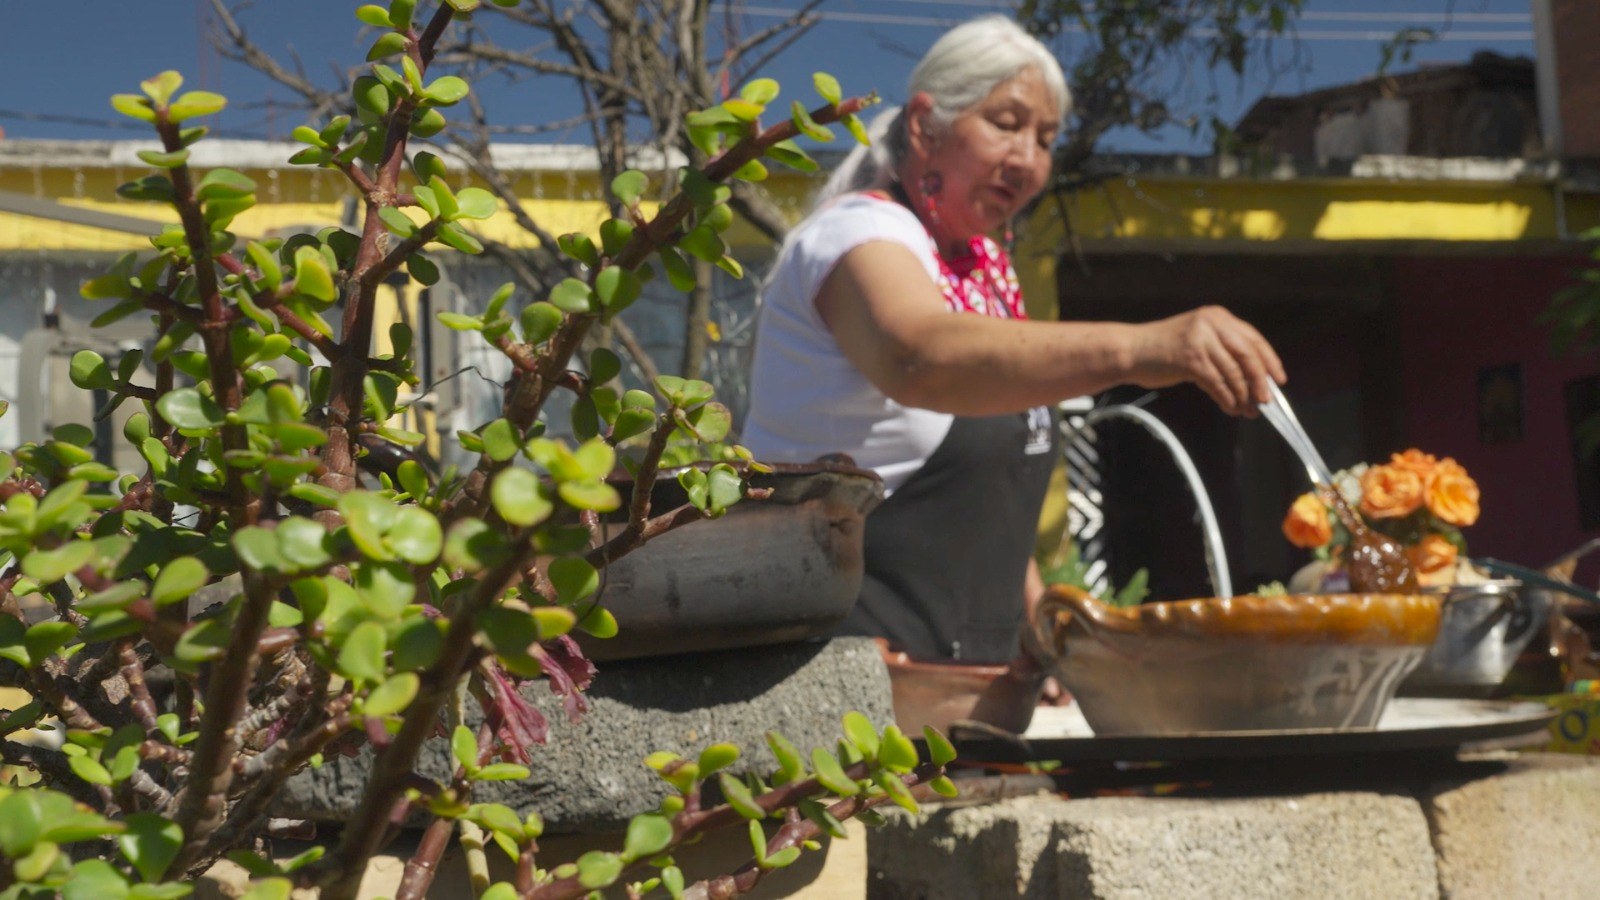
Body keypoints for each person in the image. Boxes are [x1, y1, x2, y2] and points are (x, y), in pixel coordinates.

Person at [742, 16, 1286, 669]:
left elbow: (985, 496)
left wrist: (1036, 630)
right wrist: (1148, 348)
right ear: (925, 125)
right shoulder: (858, 235)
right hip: (840, 686)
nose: (1028, 158)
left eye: (1046, 138)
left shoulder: (981, 276)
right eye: (1005, 123)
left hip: (959, 696)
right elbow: (919, 357)